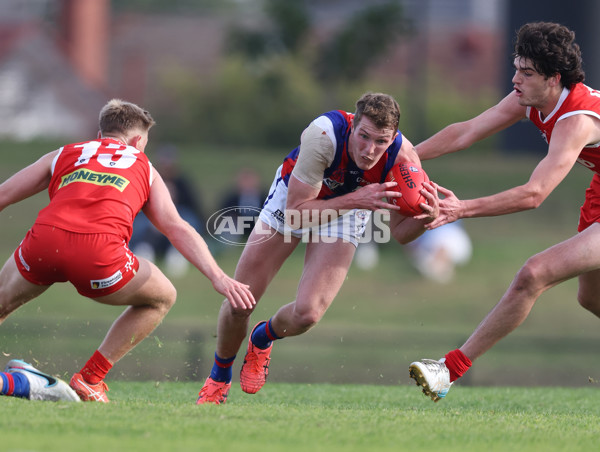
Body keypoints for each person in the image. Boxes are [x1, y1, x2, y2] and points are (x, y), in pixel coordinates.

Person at [0, 99, 255, 403]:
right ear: (137, 141)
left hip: (44, 244)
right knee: (163, 297)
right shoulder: (143, 165)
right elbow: (176, 227)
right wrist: (218, 277)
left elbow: (3, 195)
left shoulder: (64, 153)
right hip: (98, 257)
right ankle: (91, 378)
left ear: (99, 134)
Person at [197, 92, 441, 404]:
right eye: (364, 137)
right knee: (240, 302)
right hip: (297, 199)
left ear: (393, 138)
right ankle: (219, 377)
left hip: (350, 208)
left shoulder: (403, 159)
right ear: (353, 126)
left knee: (307, 315)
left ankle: (263, 337)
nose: (370, 150)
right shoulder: (323, 135)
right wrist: (356, 199)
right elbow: (299, 211)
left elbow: (401, 235)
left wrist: (426, 218)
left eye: (381, 142)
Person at [409, 22, 600, 402]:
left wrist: (461, 208)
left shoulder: (576, 120)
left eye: (526, 73)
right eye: (516, 67)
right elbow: (465, 132)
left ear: (553, 79)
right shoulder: (530, 98)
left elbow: (534, 194)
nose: (515, 79)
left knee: (534, 273)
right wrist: (401, 157)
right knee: (590, 298)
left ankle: (449, 370)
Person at [130, 144, 206, 276]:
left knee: (189, 219)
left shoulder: (182, 182)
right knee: (141, 223)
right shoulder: (149, 179)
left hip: (178, 214)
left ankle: (179, 252)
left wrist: (174, 198)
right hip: (152, 214)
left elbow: (194, 205)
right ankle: (143, 248)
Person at [405, 221, 472, 283]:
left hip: (427, 225)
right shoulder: (461, 254)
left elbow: (411, 245)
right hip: (450, 223)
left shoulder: (425, 252)